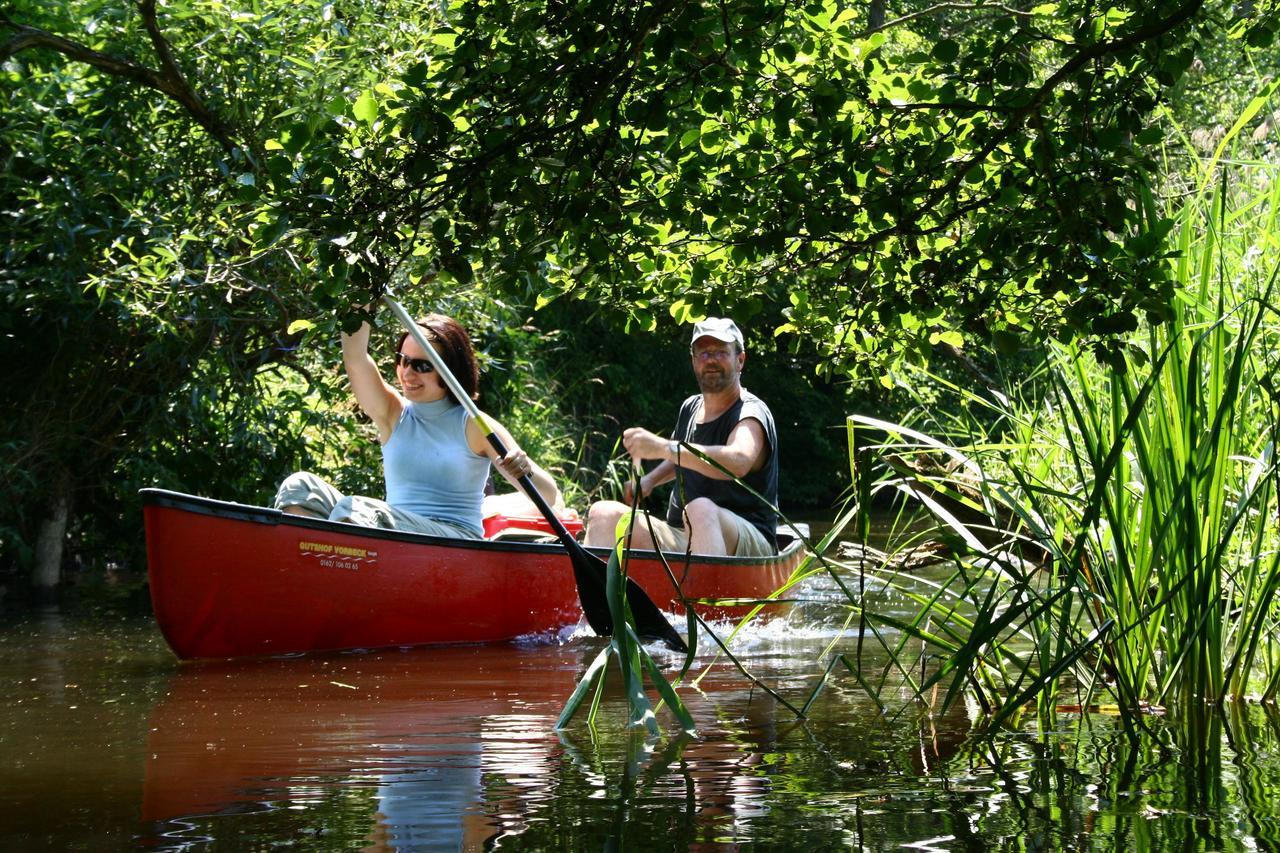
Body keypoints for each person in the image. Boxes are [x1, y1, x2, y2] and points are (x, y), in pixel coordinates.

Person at [273, 306, 557, 538]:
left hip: (455, 538)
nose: (407, 373)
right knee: (300, 485)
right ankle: (309, 570)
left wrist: (524, 468)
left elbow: (548, 495)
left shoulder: (474, 424)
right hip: (393, 531)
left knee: (356, 509)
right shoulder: (393, 412)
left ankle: (334, 573)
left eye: (422, 366)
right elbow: (355, 357)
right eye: (403, 360)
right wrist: (361, 299)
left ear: (450, 372)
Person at [584, 317, 779, 556]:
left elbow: (737, 461)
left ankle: (707, 594)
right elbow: (681, 457)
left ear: (740, 360)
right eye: (704, 353)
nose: (711, 360)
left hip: (747, 542)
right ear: (694, 361)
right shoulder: (690, 407)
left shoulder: (750, 413)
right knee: (603, 513)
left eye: (720, 352)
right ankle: (594, 593)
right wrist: (650, 480)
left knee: (699, 510)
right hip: (683, 536)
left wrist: (665, 447)